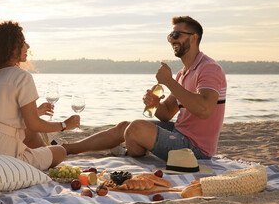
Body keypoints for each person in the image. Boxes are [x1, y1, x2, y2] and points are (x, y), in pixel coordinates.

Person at [62, 16, 226, 161]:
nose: (172, 40)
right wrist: (154, 103)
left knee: (135, 128)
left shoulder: (209, 68)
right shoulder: (183, 73)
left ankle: (132, 153)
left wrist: (168, 81)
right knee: (125, 126)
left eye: (176, 35)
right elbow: (166, 113)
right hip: (179, 133)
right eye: (170, 37)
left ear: (193, 38)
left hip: (196, 148)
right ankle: (68, 148)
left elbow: (205, 109)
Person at [0, 20, 80, 170]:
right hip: (4, 155)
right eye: (23, 42)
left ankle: (36, 154)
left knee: (30, 138)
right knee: (60, 151)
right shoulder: (21, 77)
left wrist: (35, 111)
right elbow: (33, 124)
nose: (28, 46)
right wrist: (65, 125)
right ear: (11, 48)